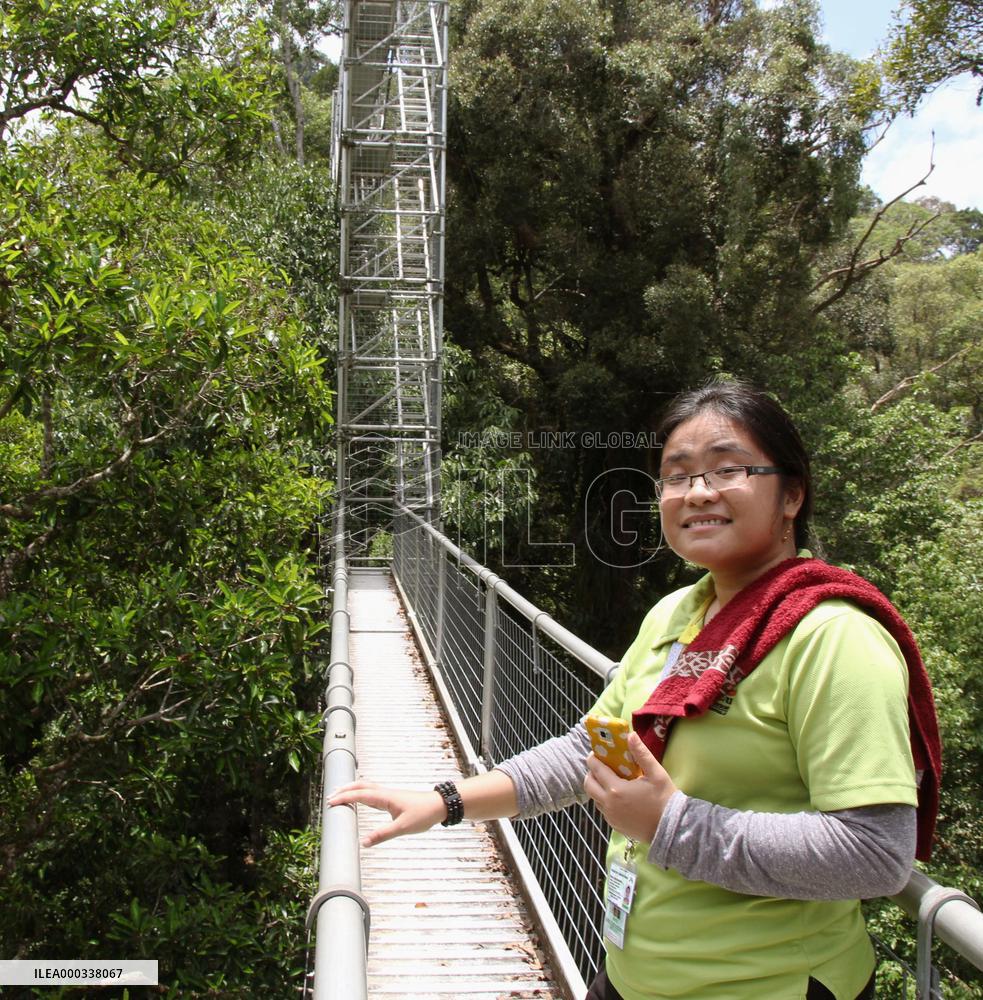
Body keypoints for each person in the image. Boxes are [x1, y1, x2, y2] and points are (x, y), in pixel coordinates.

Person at [328, 380, 942, 1000]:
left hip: (765, 984)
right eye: (677, 476)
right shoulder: (679, 614)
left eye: (728, 469)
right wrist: (446, 801)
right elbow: (588, 752)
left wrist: (670, 824)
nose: (697, 492)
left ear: (792, 495)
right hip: (630, 976)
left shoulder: (833, 637)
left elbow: (874, 854)